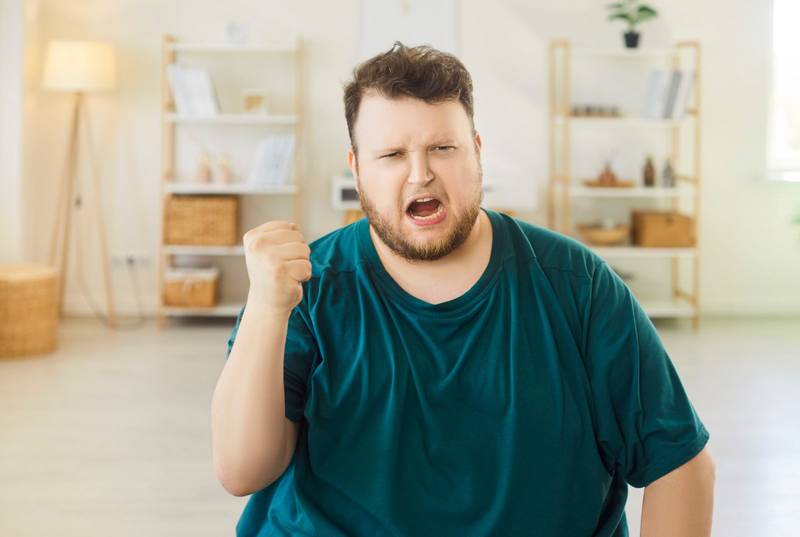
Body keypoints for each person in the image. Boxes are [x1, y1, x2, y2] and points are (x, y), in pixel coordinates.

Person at [211, 41, 715, 537]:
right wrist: (266, 310)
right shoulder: (305, 288)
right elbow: (242, 472)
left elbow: (679, 463)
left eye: (442, 148)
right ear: (357, 168)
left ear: (476, 151)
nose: (421, 174)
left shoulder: (576, 285)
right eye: (391, 154)